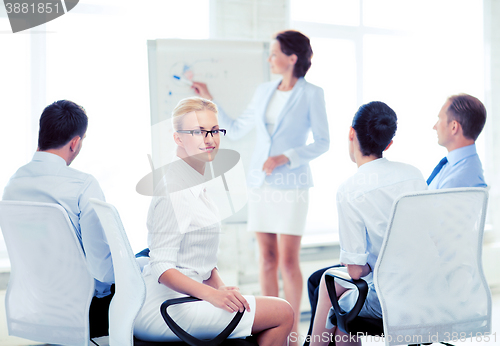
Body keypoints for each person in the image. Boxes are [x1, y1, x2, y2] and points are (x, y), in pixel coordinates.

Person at [191, 30, 330, 341]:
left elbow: (323, 142)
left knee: (288, 260)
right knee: (266, 257)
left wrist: (286, 157)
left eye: (274, 52)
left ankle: (291, 332)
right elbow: (239, 129)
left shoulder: (312, 93)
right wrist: (210, 98)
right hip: (261, 183)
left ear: (292, 58)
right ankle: (272, 324)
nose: (269, 58)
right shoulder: (264, 90)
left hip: (292, 184)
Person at [133, 97, 294, 346]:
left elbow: (200, 260)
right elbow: (162, 267)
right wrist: (212, 295)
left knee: (267, 310)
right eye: (198, 132)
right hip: (165, 307)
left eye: (215, 130)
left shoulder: (194, 181)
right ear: (178, 138)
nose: (209, 139)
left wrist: (221, 288)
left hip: (186, 297)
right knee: (283, 312)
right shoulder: (175, 188)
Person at [308, 101, 427, 346]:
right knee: (336, 295)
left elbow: (354, 271)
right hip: (426, 292)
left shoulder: (350, 189)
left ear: (351, 133)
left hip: (389, 300)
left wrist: (366, 265)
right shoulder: (413, 174)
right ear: (389, 143)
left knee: (336, 301)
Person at [2, 100, 114, 338]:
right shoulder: (83, 185)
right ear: (75, 143)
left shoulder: (13, 184)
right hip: (85, 313)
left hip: (37, 308)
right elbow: (103, 273)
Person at [427, 93, 487, 189]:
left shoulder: (459, 181)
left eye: (439, 119)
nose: (434, 127)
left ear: (454, 127)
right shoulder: (453, 166)